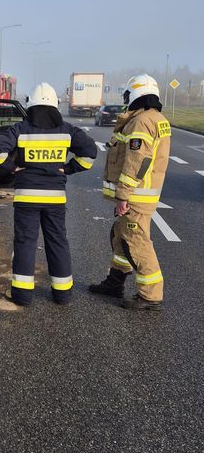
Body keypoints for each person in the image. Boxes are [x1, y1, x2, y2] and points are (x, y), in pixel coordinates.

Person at [0, 82, 97, 305]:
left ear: (30, 105)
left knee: (26, 243)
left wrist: (13, 167)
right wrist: (68, 168)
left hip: (26, 197)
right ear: (56, 105)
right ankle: (62, 294)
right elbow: (89, 154)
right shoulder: (67, 130)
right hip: (54, 199)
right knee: (57, 242)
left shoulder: (20, 129)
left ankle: (22, 295)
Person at [89, 74, 170, 312]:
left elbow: (137, 161)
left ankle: (150, 295)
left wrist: (123, 194)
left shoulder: (141, 121)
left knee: (136, 242)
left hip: (135, 195)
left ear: (136, 94)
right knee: (120, 236)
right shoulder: (156, 118)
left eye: (127, 95)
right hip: (142, 194)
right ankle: (115, 282)